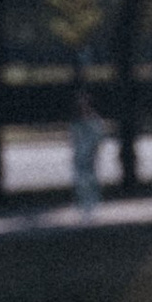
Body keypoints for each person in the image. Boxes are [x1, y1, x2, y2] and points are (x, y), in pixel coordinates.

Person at [67, 90, 108, 218]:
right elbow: (73, 139)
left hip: (90, 154)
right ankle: (84, 206)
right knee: (80, 180)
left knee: (90, 179)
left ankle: (92, 205)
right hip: (79, 154)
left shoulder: (95, 121)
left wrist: (94, 150)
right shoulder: (76, 122)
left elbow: (99, 137)